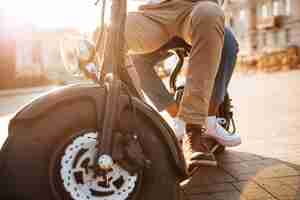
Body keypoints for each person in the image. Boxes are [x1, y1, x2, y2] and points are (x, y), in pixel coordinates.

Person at [125, 0, 241, 171]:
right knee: (110, 32)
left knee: (222, 33)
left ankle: (201, 124)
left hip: (194, 8)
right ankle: (168, 119)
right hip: (153, 13)